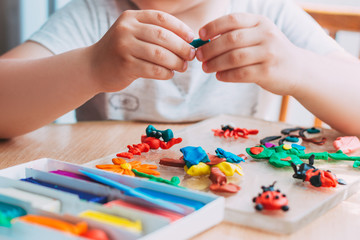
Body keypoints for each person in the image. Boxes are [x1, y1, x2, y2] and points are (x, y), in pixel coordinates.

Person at [1, 0, 359, 139]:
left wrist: (299, 68)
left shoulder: (270, 12)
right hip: (122, 199)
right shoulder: (93, 14)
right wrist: (90, 66)